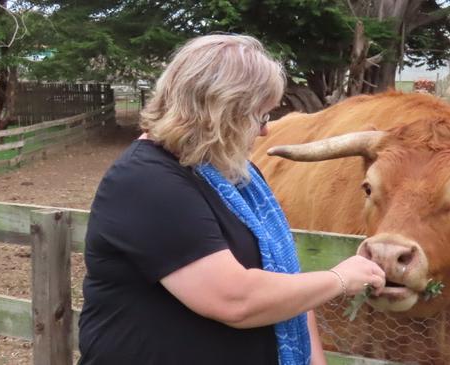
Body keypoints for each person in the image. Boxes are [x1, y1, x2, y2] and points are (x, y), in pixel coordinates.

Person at [78, 34, 386, 365]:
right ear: (220, 111)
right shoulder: (146, 182)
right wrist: (338, 279)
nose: (266, 131)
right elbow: (234, 299)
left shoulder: (239, 177)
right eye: (261, 116)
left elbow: (284, 276)